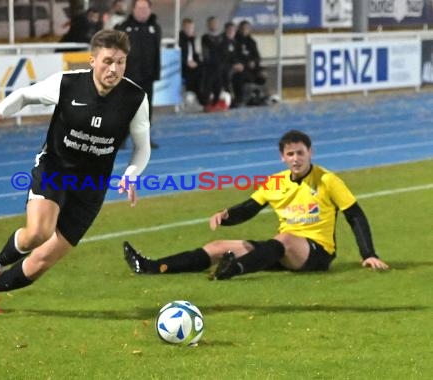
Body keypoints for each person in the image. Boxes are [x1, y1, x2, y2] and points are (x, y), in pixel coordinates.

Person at [0, 29, 151, 314]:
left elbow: (142, 147)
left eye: (121, 62)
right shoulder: (68, 84)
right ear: (92, 61)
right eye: (108, 61)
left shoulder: (135, 98)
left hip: (91, 186)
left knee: (42, 261)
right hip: (55, 168)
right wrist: (0, 113)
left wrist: (131, 174)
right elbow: (25, 95)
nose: (114, 69)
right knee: (38, 232)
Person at [123, 130, 389, 280]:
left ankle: (232, 270)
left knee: (284, 238)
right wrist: (226, 216)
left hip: (316, 253)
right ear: (282, 157)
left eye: (300, 153)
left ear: (310, 152)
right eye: (290, 154)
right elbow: (250, 208)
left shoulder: (327, 180)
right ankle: (152, 267)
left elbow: (355, 215)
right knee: (218, 247)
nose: (296, 159)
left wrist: (368, 254)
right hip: (281, 250)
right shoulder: (276, 182)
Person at [116, 0, 161, 148]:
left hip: (147, 76)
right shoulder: (123, 28)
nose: (143, 11)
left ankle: (143, 139)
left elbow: (156, 53)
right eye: (140, 8)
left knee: (146, 109)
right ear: (133, 9)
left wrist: (155, 73)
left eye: (145, 8)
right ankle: (120, 139)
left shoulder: (155, 27)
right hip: (128, 77)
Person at [200, 16, 228, 112]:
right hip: (210, 66)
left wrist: (222, 63)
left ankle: (216, 103)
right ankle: (207, 103)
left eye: (215, 23)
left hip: (220, 66)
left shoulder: (222, 37)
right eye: (211, 23)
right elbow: (206, 53)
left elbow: (224, 51)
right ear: (208, 25)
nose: (213, 25)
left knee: (218, 85)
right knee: (208, 85)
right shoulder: (205, 37)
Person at [179, 17, 204, 106]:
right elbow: (179, 55)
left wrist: (198, 63)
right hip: (183, 67)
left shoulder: (192, 40)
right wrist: (187, 62)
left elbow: (195, 55)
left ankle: (204, 97)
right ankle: (201, 99)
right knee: (198, 74)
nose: (190, 30)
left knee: (206, 69)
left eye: (191, 28)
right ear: (183, 27)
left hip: (193, 66)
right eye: (188, 28)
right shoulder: (180, 39)